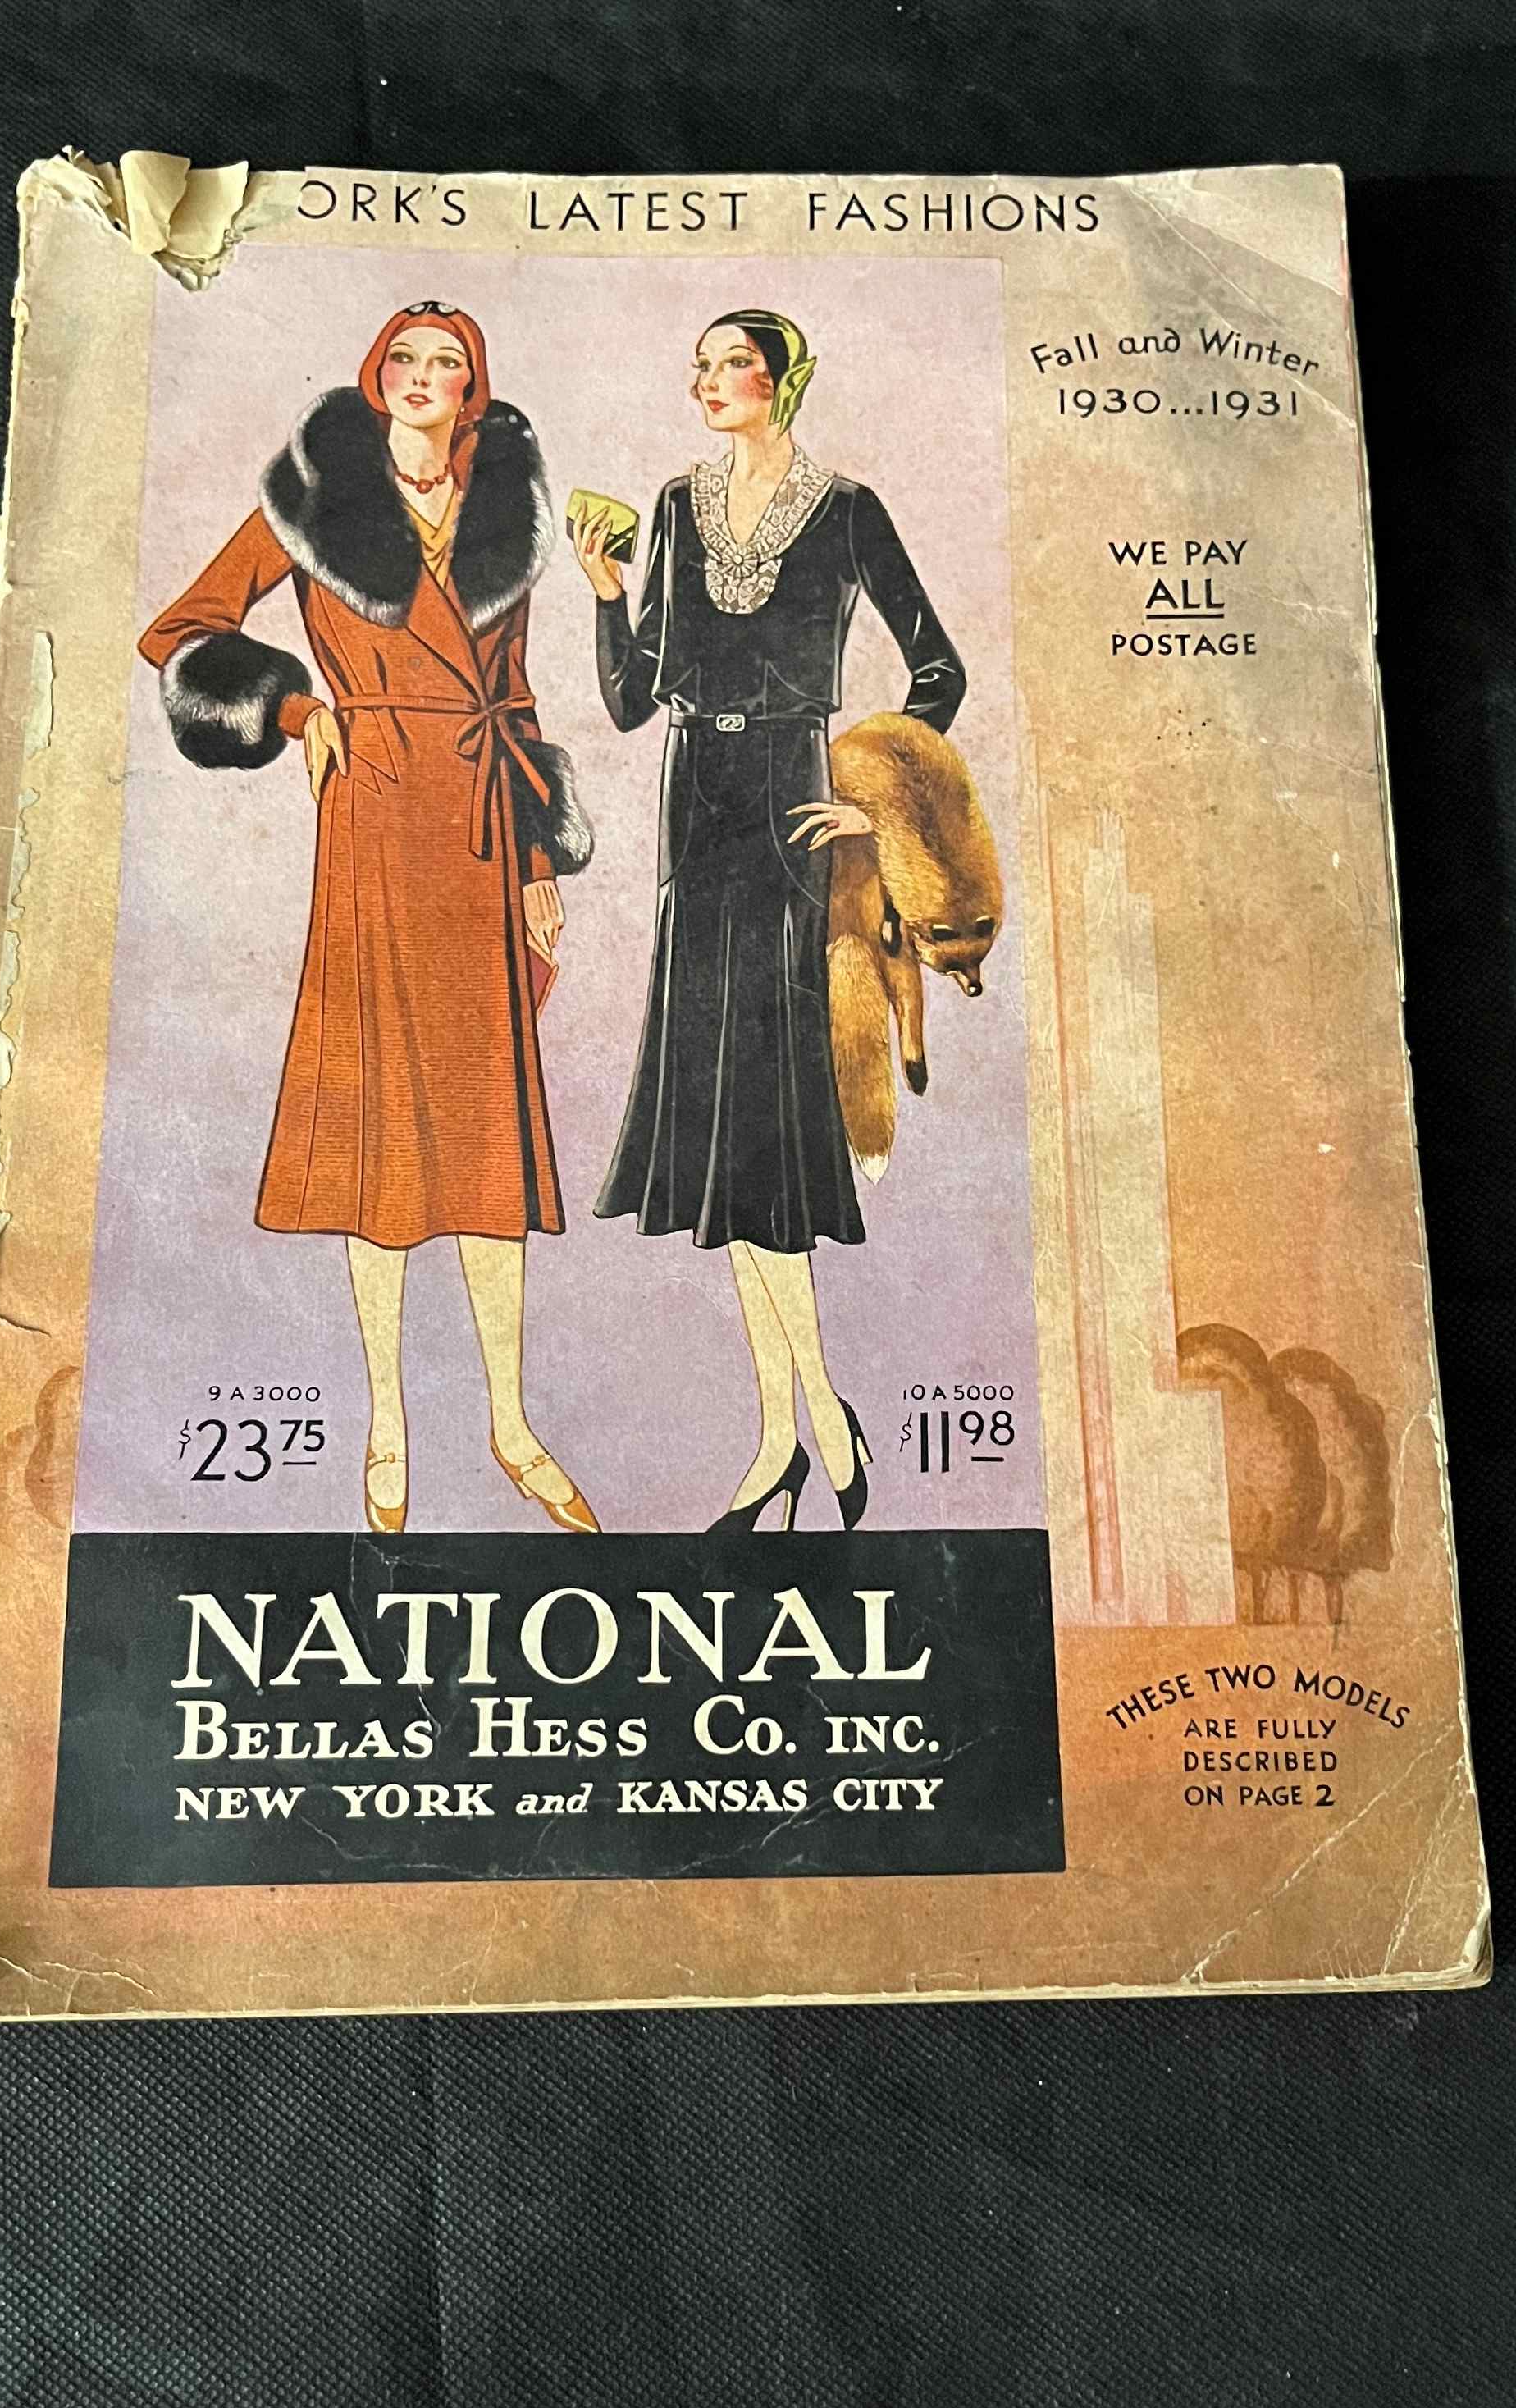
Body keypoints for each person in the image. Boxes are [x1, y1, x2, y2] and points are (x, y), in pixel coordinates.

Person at [139, 301, 599, 1537]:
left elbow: (514, 695)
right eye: (406, 360)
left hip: (483, 831)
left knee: (488, 1137)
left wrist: (540, 861)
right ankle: (390, 1422)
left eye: (448, 365)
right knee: (385, 1132)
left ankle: (511, 1425)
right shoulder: (313, 499)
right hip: (378, 822)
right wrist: (299, 714)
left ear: (472, 390)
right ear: (375, 376)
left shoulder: (505, 511)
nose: (423, 378)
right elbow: (179, 632)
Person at [574, 308, 966, 1531]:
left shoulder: (848, 511)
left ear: (783, 380)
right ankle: (794, 1432)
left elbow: (939, 672)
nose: (706, 381)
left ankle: (796, 1440)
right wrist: (607, 595)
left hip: (795, 811)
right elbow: (633, 702)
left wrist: (875, 807)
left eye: (730, 363)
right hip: (695, 809)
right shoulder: (674, 506)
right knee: (726, 1135)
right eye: (697, 366)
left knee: (769, 1133)